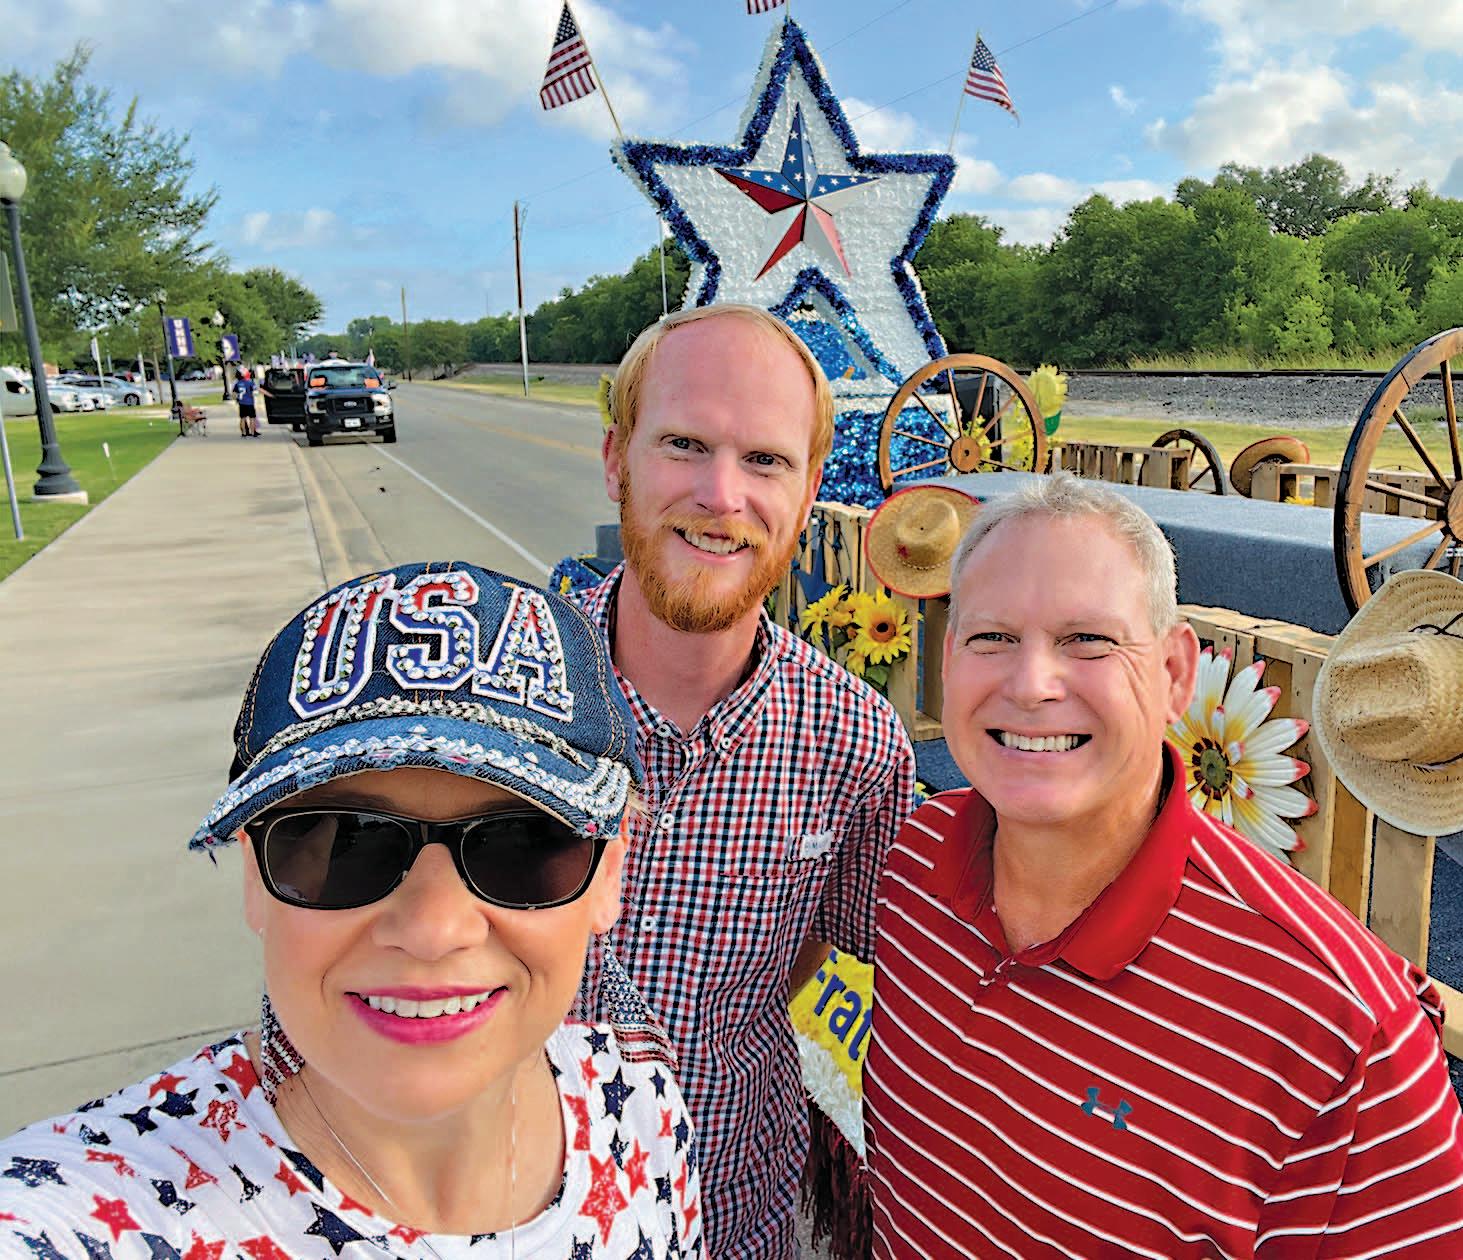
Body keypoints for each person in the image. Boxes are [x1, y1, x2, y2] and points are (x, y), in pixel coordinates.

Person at [0, 561, 703, 1258]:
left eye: (521, 844)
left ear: (611, 873)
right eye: (348, 843)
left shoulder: (639, 1101)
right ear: (253, 875)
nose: (433, 930)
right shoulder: (95, 1216)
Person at [864, 472, 1463, 1257]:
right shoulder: (913, 861)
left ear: (1175, 675)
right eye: (992, 638)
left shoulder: (1341, 1033)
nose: (1031, 685)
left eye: (1088, 639)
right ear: (948, 661)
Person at [571, 303, 917, 1259]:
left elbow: (855, 959)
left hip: (728, 1218)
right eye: (684, 444)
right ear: (617, 459)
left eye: (765, 460)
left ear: (806, 497)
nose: (722, 495)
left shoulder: (855, 745)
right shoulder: (495, 701)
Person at [234, 366, 259, 437]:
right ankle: (253, 432)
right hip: (249, 402)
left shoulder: (238, 383)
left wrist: (237, 399)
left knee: (242, 418)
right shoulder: (250, 382)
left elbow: (235, 393)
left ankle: (243, 433)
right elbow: (255, 392)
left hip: (242, 403)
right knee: (252, 418)